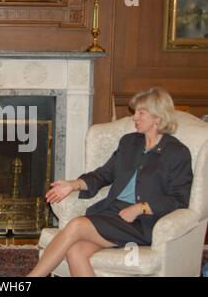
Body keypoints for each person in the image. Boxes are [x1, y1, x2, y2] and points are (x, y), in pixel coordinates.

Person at [28, 87, 193, 277]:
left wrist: (142, 207)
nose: (134, 117)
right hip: (114, 213)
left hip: (143, 222)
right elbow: (104, 174)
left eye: (141, 113)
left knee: (76, 225)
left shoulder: (177, 153)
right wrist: (74, 184)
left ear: (158, 117)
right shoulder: (129, 142)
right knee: (77, 252)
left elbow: (179, 199)